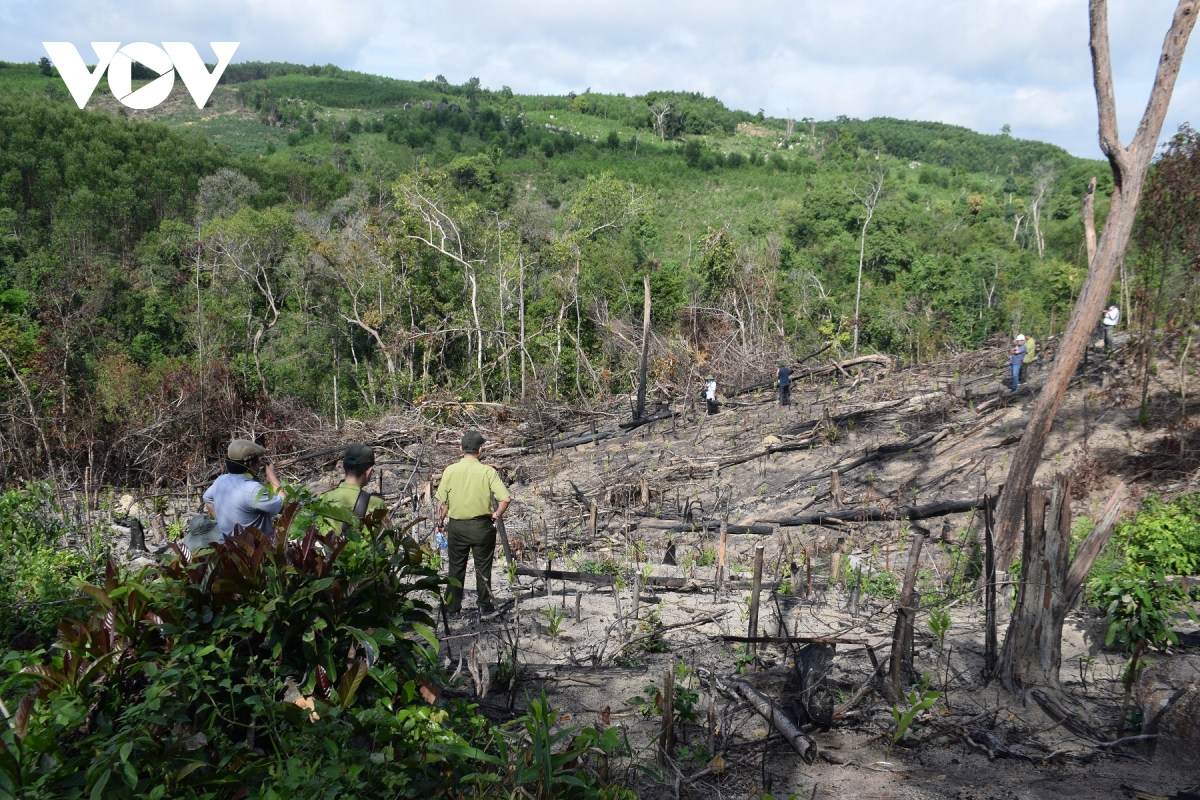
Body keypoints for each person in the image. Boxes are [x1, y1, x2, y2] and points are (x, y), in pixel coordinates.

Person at [434, 431, 511, 614]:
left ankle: (452, 607)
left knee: (455, 568)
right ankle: (484, 605)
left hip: (457, 527)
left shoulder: (450, 471)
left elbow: (442, 502)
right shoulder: (488, 471)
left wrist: (440, 522)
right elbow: (505, 499)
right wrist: (496, 514)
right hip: (482, 527)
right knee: (483, 567)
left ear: (461, 448)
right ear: (480, 450)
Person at [203, 439, 283, 538]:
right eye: (259, 459)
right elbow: (284, 506)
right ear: (251, 464)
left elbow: (207, 499)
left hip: (226, 546)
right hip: (253, 550)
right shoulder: (253, 490)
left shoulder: (220, 480)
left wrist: (223, 525)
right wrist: (271, 476)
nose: (261, 462)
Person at [320, 444, 388, 530]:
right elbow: (388, 541)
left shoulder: (323, 499)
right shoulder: (377, 505)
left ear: (343, 468)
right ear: (369, 471)